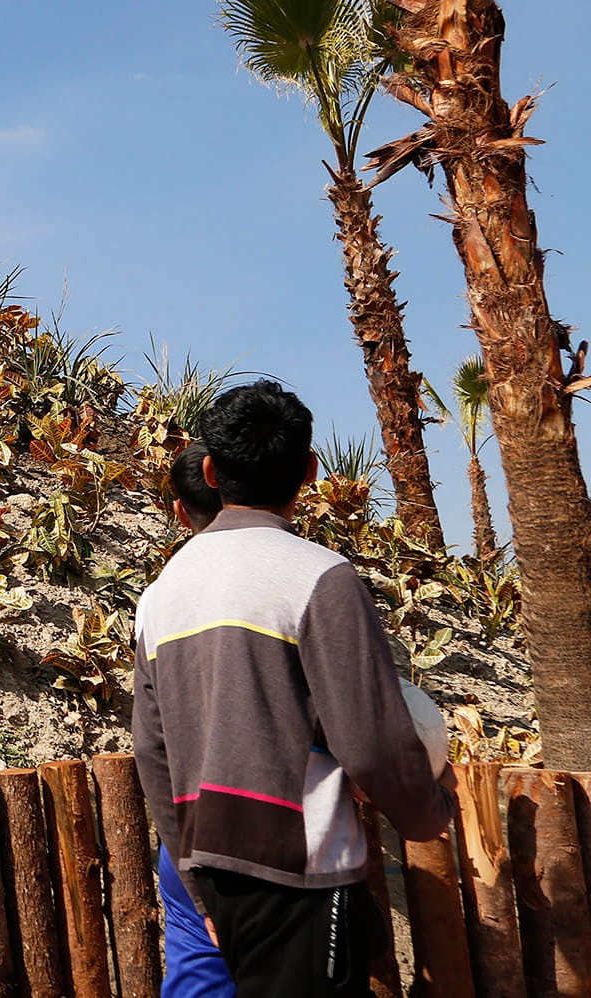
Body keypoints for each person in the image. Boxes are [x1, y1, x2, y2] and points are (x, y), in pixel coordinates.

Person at [132, 382, 451, 998]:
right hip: (299, 868)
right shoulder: (320, 577)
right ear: (309, 468)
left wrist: (195, 884)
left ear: (209, 470)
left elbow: (154, 752)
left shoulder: (163, 593)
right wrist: (427, 813)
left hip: (211, 858)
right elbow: (370, 741)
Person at [156, 443, 235, 998]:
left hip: (190, 829)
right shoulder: (306, 576)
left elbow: (151, 743)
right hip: (281, 830)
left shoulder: (161, 596)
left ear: (181, 512)